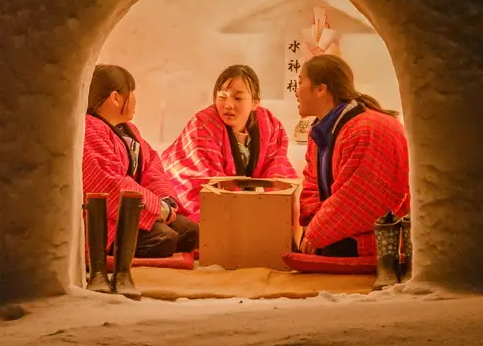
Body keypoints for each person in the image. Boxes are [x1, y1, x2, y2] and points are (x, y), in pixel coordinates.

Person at [293, 53, 410, 258]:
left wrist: (317, 232)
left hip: (377, 237)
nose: (296, 91)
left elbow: (358, 198)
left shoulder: (368, 128)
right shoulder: (319, 132)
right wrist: (313, 223)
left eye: (300, 82)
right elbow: (311, 183)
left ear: (321, 89)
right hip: (339, 230)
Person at [80, 63, 197, 258]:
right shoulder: (90, 129)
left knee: (191, 232)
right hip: (109, 219)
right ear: (115, 97)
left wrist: (165, 201)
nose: (134, 99)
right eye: (131, 92)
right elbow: (108, 182)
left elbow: (151, 165)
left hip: (138, 207)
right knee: (164, 239)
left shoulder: (129, 130)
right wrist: (156, 208)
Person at [159, 64, 296, 225]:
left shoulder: (269, 124)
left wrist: (264, 206)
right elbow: (204, 182)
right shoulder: (203, 124)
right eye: (222, 96)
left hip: (250, 204)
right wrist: (247, 209)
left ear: (255, 103)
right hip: (195, 206)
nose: (228, 105)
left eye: (238, 98)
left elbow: (277, 170)